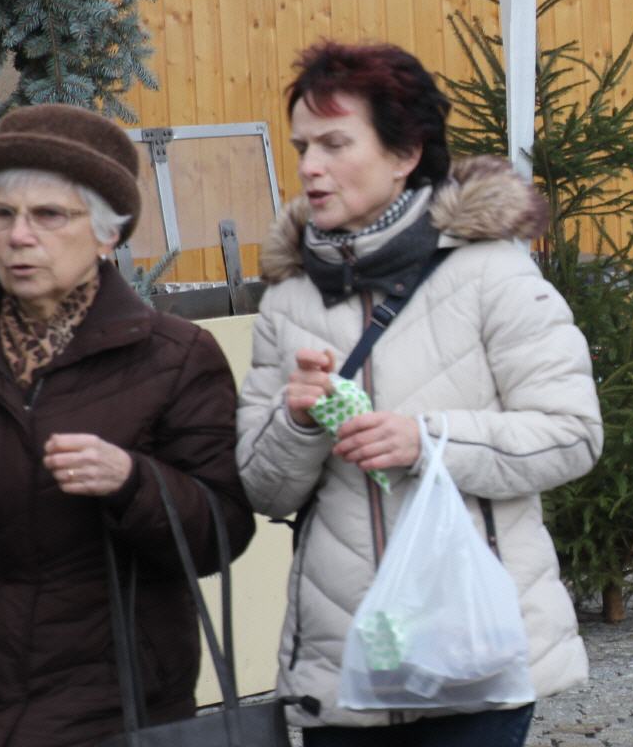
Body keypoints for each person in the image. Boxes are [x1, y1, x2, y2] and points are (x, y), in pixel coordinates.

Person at [237, 41, 602, 744]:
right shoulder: (287, 298)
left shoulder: (492, 273)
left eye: (336, 143)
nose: (310, 166)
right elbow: (263, 489)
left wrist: (429, 440)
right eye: (303, 146)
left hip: (472, 653)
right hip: (340, 665)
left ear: (405, 154)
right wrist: (296, 421)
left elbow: (573, 433)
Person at [0, 104, 255, 746]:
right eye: (2, 214)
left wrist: (133, 481)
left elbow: (222, 532)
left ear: (108, 233)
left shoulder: (174, 358)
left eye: (49, 215)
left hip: (113, 714)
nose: (19, 236)